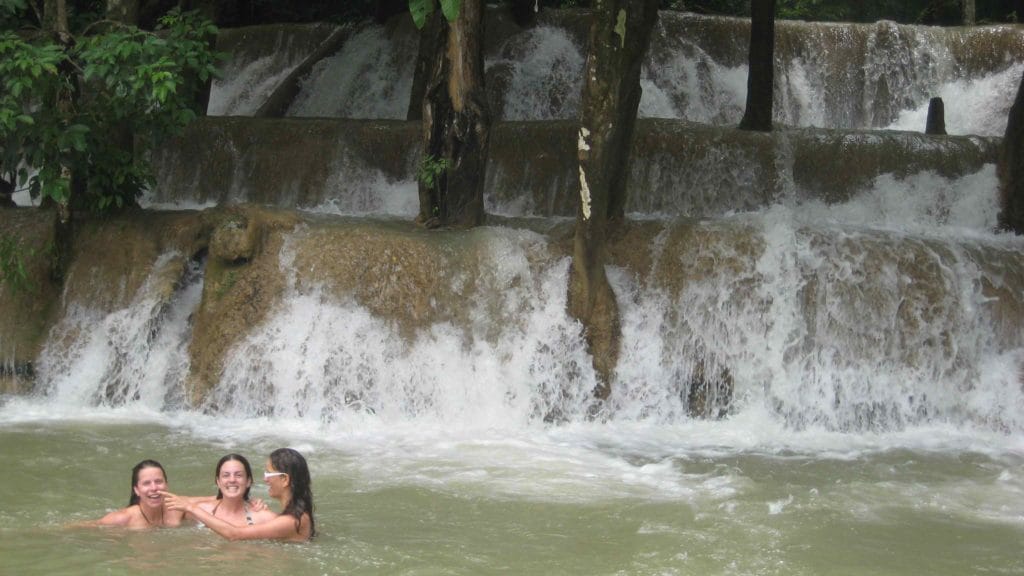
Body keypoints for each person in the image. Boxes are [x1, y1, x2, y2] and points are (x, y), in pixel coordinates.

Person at [163, 447, 315, 541]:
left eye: (268, 473)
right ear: (218, 481)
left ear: (284, 479)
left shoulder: (292, 521)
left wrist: (192, 508)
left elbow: (234, 535)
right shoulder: (296, 516)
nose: (264, 478)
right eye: (225, 476)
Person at [91, 460, 187, 529]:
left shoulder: (179, 507)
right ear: (136, 490)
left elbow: (201, 503)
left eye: (158, 481)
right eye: (146, 483)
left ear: (166, 485)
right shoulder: (122, 518)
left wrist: (191, 508)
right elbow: (84, 528)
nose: (154, 488)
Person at [193, 453, 276, 528]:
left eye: (238, 475)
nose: (232, 480)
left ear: (248, 481)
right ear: (218, 482)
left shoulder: (264, 518)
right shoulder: (202, 510)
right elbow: (180, 505)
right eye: (226, 475)